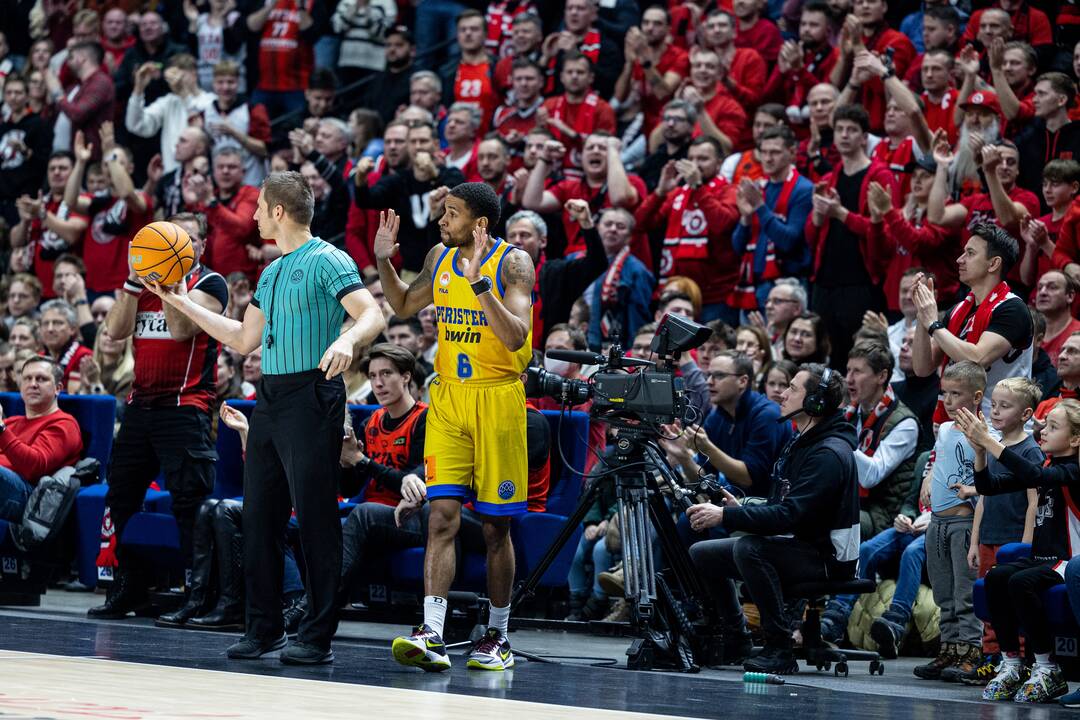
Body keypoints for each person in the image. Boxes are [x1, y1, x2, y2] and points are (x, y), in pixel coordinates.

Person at [145, 172, 385, 665]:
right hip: (272, 397)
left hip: (313, 393)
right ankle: (264, 629)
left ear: (278, 211)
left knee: (316, 518)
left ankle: (317, 635)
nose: (251, 216)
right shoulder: (272, 272)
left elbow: (372, 315)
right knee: (259, 518)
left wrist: (346, 338)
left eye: (258, 207)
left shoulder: (329, 258)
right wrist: (179, 300)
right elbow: (241, 338)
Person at [374, 182, 535, 673]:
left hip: (498, 397)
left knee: (494, 527)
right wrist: (383, 260)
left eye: (453, 213)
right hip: (448, 397)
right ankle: (433, 633)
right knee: (440, 516)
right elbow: (402, 305)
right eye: (443, 213)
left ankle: (499, 635)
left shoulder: (513, 263)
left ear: (479, 223)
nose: (442, 221)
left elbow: (515, 336)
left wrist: (480, 284)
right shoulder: (440, 256)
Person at [87, 212, 228, 620]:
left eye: (188, 239)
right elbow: (114, 332)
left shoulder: (210, 283)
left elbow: (183, 329)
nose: (180, 243)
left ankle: (200, 594)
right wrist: (134, 282)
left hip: (185, 408)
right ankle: (131, 588)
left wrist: (173, 278)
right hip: (141, 406)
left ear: (200, 246)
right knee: (121, 497)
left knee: (190, 504)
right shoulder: (144, 284)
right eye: (171, 237)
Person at [686, 363, 860, 674]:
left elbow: (789, 516)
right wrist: (740, 506)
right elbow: (784, 503)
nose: (782, 394)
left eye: (792, 388)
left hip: (826, 556)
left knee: (749, 548)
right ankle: (736, 637)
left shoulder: (827, 454)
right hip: (799, 544)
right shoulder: (804, 440)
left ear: (815, 402)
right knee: (702, 554)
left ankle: (779, 646)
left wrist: (728, 515)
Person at [957, 399, 1080, 703]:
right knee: (997, 577)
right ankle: (1011, 662)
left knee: (1020, 582)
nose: (1043, 431)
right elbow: (988, 486)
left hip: (1071, 560)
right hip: (1045, 558)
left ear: (1076, 438)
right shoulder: (1049, 465)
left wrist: (990, 440)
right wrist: (980, 452)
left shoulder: (1073, 471)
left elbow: (1034, 476)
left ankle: (1046, 667)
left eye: (1053, 427)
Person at [948, 377, 1041, 686]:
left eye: (1005, 406)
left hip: (1014, 539)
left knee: (1014, 600)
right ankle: (992, 656)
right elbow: (985, 498)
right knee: (988, 600)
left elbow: (1033, 503)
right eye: (994, 405)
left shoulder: (1029, 452)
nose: (997, 412)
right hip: (989, 536)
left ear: (1026, 414)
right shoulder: (991, 449)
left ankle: (1021, 657)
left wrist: (1027, 543)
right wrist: (975, 540)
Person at [911, 222, 1033, 421]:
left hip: (999, 427)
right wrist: (922, 315)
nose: (960, 260)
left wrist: (933, 324)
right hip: (957, 422)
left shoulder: (1012, 308)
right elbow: (922, 368)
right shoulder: (958, 310)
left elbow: (976, 359)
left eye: (970, 253)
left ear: (993, 263)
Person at [805, 104, 894, 370]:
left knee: (858, 358)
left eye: (852, 130)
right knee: (826, 355)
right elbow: (812, 237)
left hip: (860, 282)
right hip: (825, 283)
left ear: (865, 137)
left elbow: (884, 235)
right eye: (839, 129)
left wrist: (841, 213)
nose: (844, 135)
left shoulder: (879, 174)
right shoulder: (829, 178)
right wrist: (819, 216)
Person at [912, 361, 984, 682]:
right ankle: (949, 648)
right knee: (944, 592)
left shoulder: (984, 434)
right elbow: (938, 460)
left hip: (964, 523)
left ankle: (971, 651)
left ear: (977, 396)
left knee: (964, 592)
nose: (949, 401)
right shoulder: (943, 430)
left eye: (957, 394)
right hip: (937, 523)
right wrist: (928, 478)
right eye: (945, 394)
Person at [662, 350, 792, 501]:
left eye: (719, 376)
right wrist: (684, 458)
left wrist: (708, 447)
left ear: (743, 381)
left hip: (770, 506)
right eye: (709, 375)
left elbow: (748, 479)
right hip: (738, 501)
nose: (709, 381)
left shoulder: (767, 415)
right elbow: (705, 480)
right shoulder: (717, 416)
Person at [730, 126, 814, 312]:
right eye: (764, 152)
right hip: (755, 283)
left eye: (775, 152)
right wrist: (745, 217)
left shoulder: (803, 190)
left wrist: (760, 207)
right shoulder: (760, 188)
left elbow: (788, 241)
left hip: (788, 285)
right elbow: (737, 247)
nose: (767, 158)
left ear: (792, 153)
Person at [0, 356, 83, 522]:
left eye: (41, 379)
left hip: (29, 498)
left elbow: (34, 467)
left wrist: (1, 429)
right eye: (27, 379)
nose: (33, 384)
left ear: (58, 388)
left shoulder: (65, 424)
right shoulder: (12, 422)